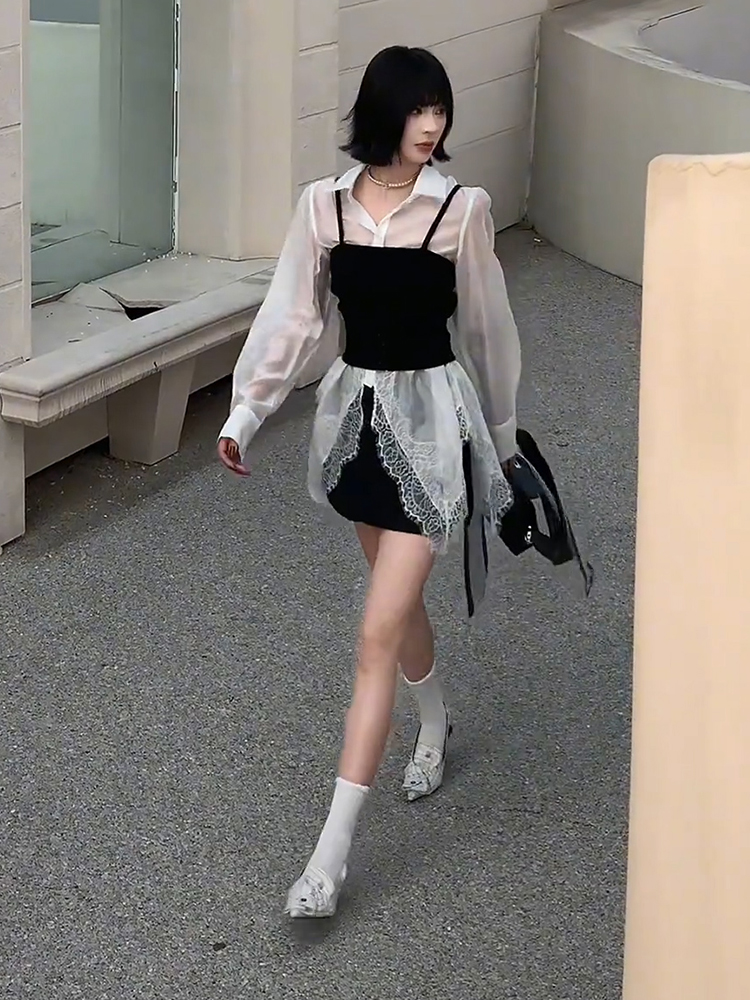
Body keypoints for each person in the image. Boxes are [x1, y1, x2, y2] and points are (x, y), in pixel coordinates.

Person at [218, 45, 521, 918]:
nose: (432, 125)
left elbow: (489, 329)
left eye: (441, 109)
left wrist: (503, 443)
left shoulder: (462, 210)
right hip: (356, 430)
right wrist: (244, 414)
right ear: (384, 111)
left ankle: (329, 859)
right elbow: (292, 317)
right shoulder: (323, 207)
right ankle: (434, 719)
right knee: (400, 611)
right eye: (418, 108)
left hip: (435, 433)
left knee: (374, 632)